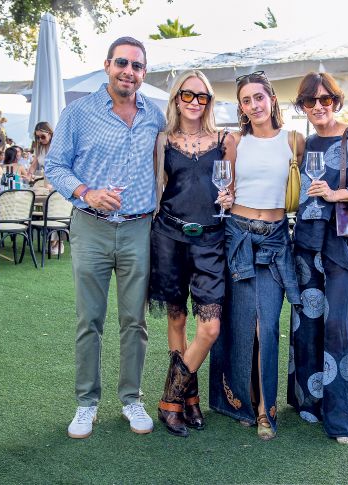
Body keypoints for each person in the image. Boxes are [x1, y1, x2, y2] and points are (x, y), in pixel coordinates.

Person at [44, 36, 166, 439]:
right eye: (122, 63)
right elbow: (55, 166)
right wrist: (86, 192)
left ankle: (131, 398)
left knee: (135, 321)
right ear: (107, 65)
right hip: (91, 226)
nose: (128, 71)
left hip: (138, 228)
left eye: (136, 66)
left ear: (143, 73)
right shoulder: (78, 113)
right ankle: (86, 403)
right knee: (89, 320)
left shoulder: (155, 116)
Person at [287, 72, 348, 444]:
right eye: (310, 101)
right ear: (302, 106)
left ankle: (346, 419)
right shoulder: (307, 142)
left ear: (337, 102)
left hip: (344, 247)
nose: (318, 107)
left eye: (325, 100)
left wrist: (334, 193)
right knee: (307, 324)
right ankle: (310, 402)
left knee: (339, 325)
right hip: (307, 244)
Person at [208, 70, 303, 441]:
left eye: (258, 97)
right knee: (242, 322)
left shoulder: (294, 140)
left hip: (276, 240)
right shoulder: (235, 141)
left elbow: (307, 184)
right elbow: (228, 188)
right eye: (246, 101)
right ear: (241, 107)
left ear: (272, 99)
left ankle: (266, 409)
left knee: (267, 324)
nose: (253, 105)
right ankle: (241, 403)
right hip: (238, 235)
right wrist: (225, 197)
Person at [148, 70, 236, 437]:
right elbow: (158, 187)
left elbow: (232, 190)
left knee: (210, 327)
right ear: (176, 98)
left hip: (211, 240)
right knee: (177, 319)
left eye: (202, 96)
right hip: (169, 236)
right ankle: (191, 398)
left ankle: (171, 398)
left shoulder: (226, 140)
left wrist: (230, 198)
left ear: (210, 102)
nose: (195, 102)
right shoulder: (163, 140)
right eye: (188, 94)